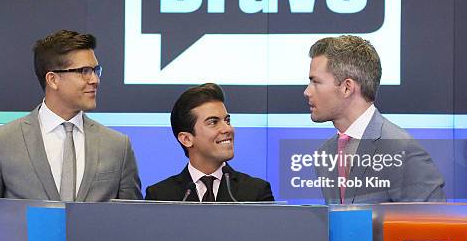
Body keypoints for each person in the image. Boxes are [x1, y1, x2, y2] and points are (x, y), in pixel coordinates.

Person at [0, 30, 142, 201]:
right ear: (53, 79)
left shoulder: (118, 146)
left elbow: (131, 222)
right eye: (84, 71)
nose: (95, 80)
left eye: (96, 70)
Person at [304, 35, 445, 204]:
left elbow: (435, 226)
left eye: (316, 82)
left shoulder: (401, 150)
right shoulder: (325, 153)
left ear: (347, 87)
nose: (307, 92)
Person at [145, 83, 273, 202]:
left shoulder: (257, 193)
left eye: (227, 121)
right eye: (213, 122)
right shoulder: (159, 196)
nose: (227, 129)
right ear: (186, 139)